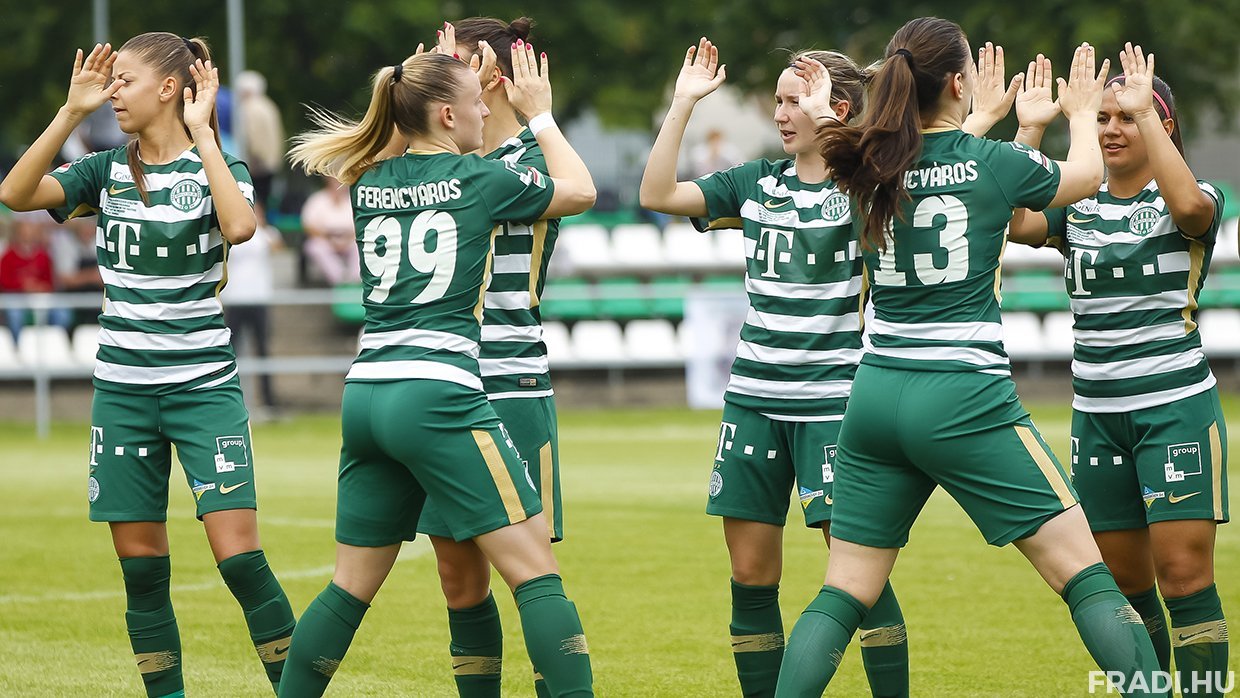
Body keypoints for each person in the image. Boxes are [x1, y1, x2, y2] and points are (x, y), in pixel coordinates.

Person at [769, 19, 1168, 697]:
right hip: (962, 392)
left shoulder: (866, 161)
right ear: (959, 83)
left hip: (874, 393)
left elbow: (865, 143)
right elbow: (1084, 177)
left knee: (844, 591)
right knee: (1086, 576)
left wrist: (826, 109)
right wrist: (1076, 113)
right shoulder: (990, 162)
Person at [281, 40, 596, 697]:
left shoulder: (368, 180)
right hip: (437, 391)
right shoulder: (480, 178)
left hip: (366, 392)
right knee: (537, 575)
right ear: (447, 115)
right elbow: (582, 191)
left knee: (348, 588)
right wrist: (539, 114)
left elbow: (405, 146)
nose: (485, 111)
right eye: (476, 102)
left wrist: (425, 86)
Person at [0, 35, 297, 697]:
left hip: (203, 390)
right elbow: (15, 194)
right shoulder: (103, 170)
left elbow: (240, 227)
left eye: (125, 81)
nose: (114, 94)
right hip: (123, 394)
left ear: (169, 88)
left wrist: (204, 134)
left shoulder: (219, 164)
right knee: (141, 571)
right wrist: (70, 113)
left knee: (241, 562)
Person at [639, 38, 911, 698]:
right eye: (779, 101)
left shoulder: (868, 187)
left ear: (835, 108)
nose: (781, 114)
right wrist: (683, 103)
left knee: (859, 579)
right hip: (753, 403)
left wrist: (838, 129)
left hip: (835, 407)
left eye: (795, 102)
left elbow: (891, 162)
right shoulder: (755, 183)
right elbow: (657, 193)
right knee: (751, 576)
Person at [1007, 44, 1230, 696]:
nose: (1111, 127)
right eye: (1102, 116)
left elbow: (1190, 211)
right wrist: (1030, 130)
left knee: (1184, 579)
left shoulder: (1192, 196)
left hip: (1174, 412)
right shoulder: (1077, 203)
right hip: (1098, 419)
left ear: (1161, 124)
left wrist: (1148, 113)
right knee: (1127, 586)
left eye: (1127, 116)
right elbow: (1015, 222)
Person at [407, 17, 570, 698]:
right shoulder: (433, 154)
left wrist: (540, 116)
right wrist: (418, 97)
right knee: (458, 579)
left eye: (456, 64)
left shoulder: (534, 155)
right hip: (441, 383)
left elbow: (572, 188)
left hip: (511, 380)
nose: (442, 74)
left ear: (491, 78)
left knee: (531, 573)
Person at [222, 201, 282, 416]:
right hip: (235, 298)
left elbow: (277, 248)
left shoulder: (266, 234)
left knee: (263, 350)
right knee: (231, 351)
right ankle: (230, 397)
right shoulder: (230, 232)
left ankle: (268, 400)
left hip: (259, 298)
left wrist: (260, 225)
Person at [0, 210, 71, 337]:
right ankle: (17, 345)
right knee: (15, 315)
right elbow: (4, 282)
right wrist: (23, 286)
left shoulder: (44, 256)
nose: (27, 237)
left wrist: (40, 287)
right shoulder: (8, 256)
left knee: (62, 314)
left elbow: (50, 281)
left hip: (41, 296)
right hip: (16, 297)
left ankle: (54, 341)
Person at [235, 70, 285, 210]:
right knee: (265, 203)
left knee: (255, 204)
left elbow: (252, 140)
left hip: (256, 165)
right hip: (270, 164)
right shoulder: (269, 105)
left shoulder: (249, 108)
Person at [299, 175, 360, 285]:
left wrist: (346, 240)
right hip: (325, 239)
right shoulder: (317, 199)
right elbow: (308, 226)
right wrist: (330, 240)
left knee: (359, 245)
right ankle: (340, 280)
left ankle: (355, 280)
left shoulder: (353, 199)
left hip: (349, 239)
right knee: (315, 246)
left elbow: (359, 226)